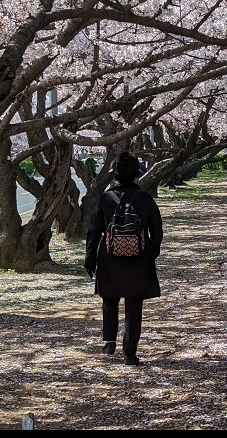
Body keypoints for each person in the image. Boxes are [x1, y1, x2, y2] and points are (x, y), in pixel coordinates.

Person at [84, 151, 163, 366]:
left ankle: (109, 341)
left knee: (110, 299)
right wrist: (150, 254)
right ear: (136, 173)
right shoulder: (145, 199)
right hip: (138, 259)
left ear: (115, 174)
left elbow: (94, 230)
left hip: (109, 257)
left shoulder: (106, 198)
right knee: (134, 305)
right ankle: (129, 353)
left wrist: (90, 257)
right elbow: (157, 231)